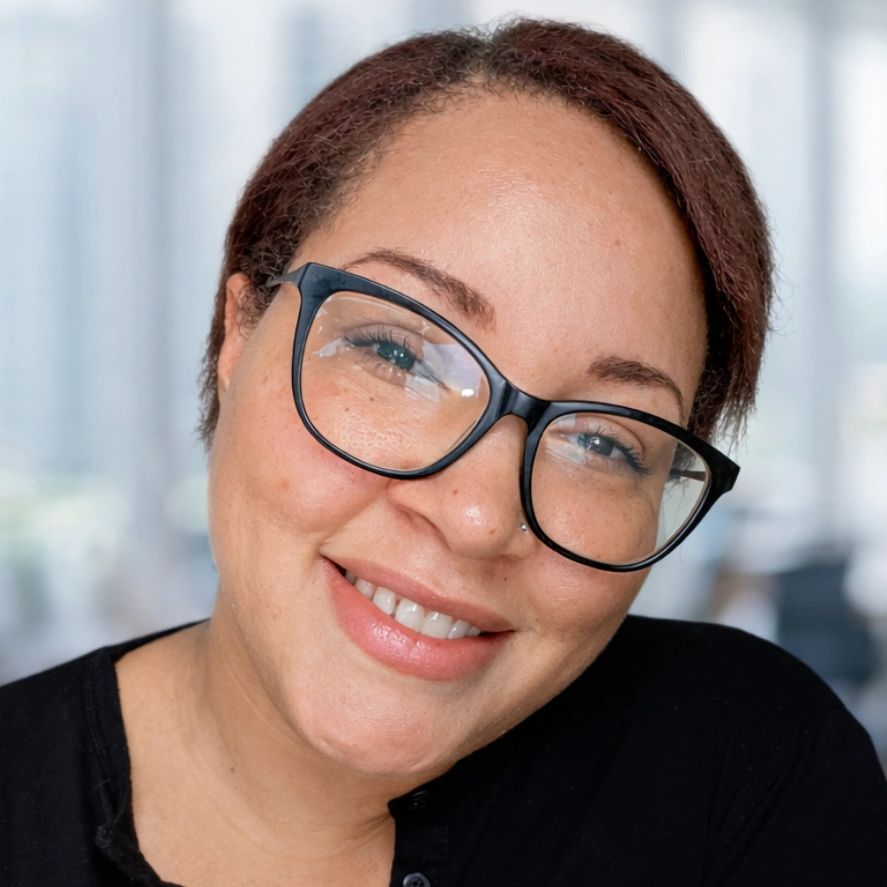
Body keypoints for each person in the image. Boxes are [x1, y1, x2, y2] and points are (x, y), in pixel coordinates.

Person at [2, 18, 886, 887]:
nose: (476, 517)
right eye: (397, 354)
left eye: (601, 438)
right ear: (239, 334)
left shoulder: (747, 770)